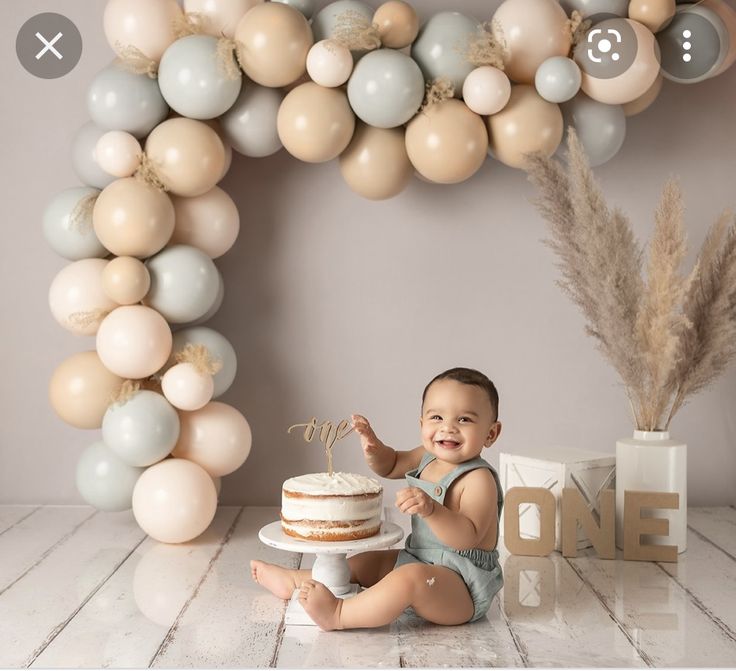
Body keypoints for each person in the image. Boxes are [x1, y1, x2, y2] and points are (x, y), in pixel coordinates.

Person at [250, 367, 504, 631]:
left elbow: (468, 537)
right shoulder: (427, 456)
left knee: (409, 579)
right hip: (419, 558)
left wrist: (432, 510)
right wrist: (374, 447)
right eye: (437, 417)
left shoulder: (478, 479)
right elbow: (391, 464)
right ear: (422, 424)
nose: (447, 428)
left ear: (490, 433)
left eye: (464, 419)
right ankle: (295, 580)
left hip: (461, 587)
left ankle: (339, 614)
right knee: (366, 562)